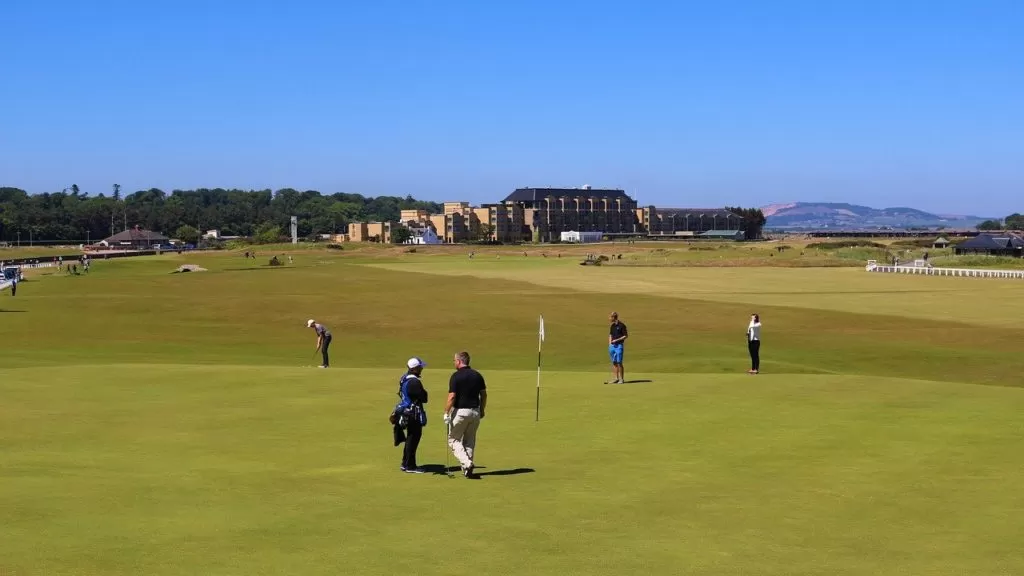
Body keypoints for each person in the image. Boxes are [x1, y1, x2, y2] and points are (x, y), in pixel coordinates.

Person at [444, 351, 486, 478]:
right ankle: (467, 469)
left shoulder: (456, 376)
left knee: (453, 440)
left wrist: (446, 412)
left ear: (459, 361)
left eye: (454, 360)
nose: (454, 363)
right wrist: (482, 410)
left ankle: (467, 463)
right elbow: (483, 394)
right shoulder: (477, 375)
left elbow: (452, 397)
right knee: (469, 441)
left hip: (461, 412)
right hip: (475, 412)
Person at [393, 357, 429, 473]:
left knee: (410, 438)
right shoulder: (414, 382)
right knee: (413, 439)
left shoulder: (404, 378)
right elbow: (424, 398)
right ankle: (410, 466)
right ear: (415, 369)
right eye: (420, 367)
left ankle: (405, 463)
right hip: (413, 414)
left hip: (406, 411)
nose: (422, 368)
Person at [608, 312, 628, 384]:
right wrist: (610, 344)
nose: (609, 319)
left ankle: (621, 379)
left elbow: (625, 336)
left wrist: (616, 340)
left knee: (619, 362)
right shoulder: (612, 326)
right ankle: (616, 378)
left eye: (610, 317)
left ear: (614, 317)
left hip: (619, 346)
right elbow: (610, 335)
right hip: (612, 346)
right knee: (614, 362)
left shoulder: (622, 325)